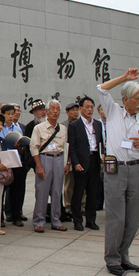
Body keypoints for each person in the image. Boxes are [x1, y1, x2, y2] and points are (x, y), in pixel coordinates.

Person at [97, 68, 139, 276]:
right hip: (115, 169)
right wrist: (125, 78)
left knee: (133, 218)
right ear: (126, 99)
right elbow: (102, 88)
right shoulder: (113, 110)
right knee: (116, 217)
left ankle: (124, 256)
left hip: (135, 169)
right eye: (138, 98)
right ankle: (112, 258)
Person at [30, 99, 69, 233]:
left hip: (58, 159)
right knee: (42, 191)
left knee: (57, 192)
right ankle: (38, 221)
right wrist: (39, 166)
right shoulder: (39, 128)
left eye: (57, 109)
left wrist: (66, 163)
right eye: (52, 108)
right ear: (46, 111)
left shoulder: (63, 128)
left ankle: (56, 220)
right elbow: (34, 148)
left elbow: (65, 147)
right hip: (44, 159)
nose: (55, 111)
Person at [68, 96, 103, 231]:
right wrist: (75, 163)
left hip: (95, 159)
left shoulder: (98, 124)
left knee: (93, 193)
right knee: (78, 193)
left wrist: (102, 156)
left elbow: (101, 143)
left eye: (91, 107)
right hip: (81, 162)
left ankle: (91, 220)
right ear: (81, 108)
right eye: (87, 107)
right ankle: (77, 221)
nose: (89, 110)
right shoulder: (74, 125)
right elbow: (72, 147)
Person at [62, 102, 81, 221]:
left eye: (76, 110)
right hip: (68, 157)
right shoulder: (63, 125)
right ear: (67, 112)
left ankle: (81, 205)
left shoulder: (81, 124)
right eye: (72, 110)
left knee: (80, 184)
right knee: (69, 183)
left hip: (79, 158)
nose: (75, 112)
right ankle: (68, 205)